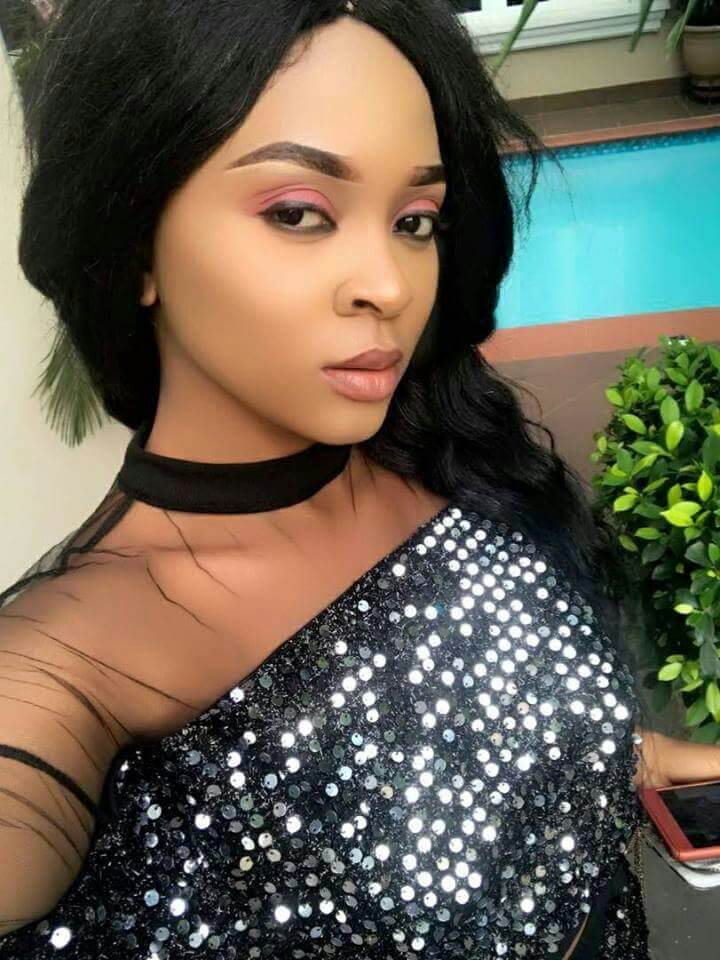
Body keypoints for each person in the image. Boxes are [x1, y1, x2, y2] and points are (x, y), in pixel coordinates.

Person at [1, 0, 718, 957]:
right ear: (133, 244)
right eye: (299, 213)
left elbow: (519, 741)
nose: (388, 284)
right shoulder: (64, 667)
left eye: (416, 221)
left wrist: (662, 760)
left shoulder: (440, 453)